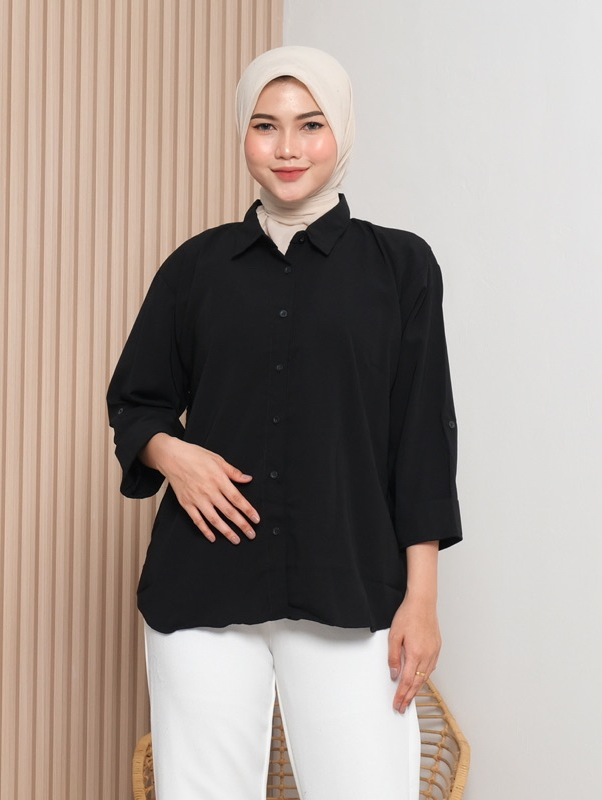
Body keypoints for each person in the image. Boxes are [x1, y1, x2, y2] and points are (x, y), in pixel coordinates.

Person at [107, 45, 463, 800]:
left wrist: (423, 599)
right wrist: (174, 455)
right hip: (201, 587)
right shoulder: (194, 269)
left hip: (352, 586)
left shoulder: (401, 267)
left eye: (311, 125)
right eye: (266, 125)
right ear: (244, 134)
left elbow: (422, 440)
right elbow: (136, 402)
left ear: (342, 133)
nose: (288, 148)